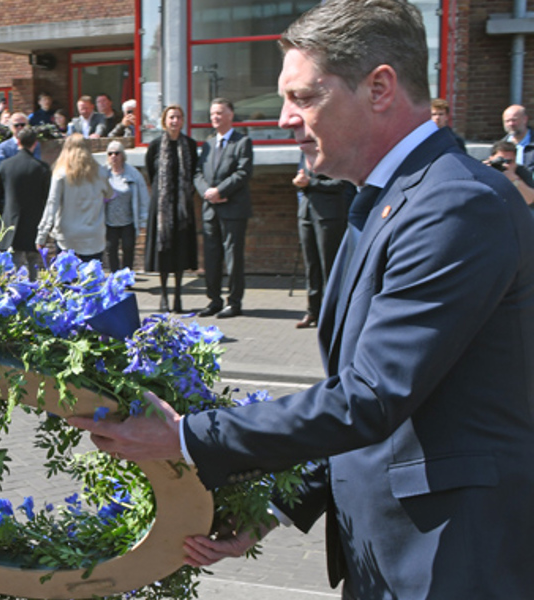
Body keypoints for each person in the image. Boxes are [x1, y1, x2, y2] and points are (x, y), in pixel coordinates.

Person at [71, 2, 534, 598]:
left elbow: (371, 397)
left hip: (451, 560)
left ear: (381, 88)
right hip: (395, 552)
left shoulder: (454, 204)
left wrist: (186, 436)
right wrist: (274, 505)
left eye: (304, 97)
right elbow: (387, 405)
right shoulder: (388, 199)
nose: (286, 119)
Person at [195, 97, 253, 318]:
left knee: (233, 257)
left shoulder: (242, 142)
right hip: (211, 210)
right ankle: (214, 301)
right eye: (212, 114)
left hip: (233, 210)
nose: (215, 117)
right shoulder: (208, 144)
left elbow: (243, 173)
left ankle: (234, 302)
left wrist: (220, 191)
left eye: (219, 113)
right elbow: (198, 173)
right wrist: (207, 193)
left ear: (230, 114)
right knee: (211, 257)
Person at [144, 105, 198, 314]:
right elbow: (151, 172)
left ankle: (178, 297)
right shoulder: (156, 145)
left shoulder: (190, 145)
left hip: (182, 207)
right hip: (162, 208)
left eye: (178, 117)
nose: (175, 121)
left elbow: (193, 172)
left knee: (180, 250)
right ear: (164, 121)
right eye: (171, 117)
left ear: (183, 121)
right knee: (164, 250)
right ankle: (164, 297)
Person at [292, 158, 353, 328]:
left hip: (329, 216)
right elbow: (302, 181)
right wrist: (299, 183)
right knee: (311, 267)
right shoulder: (304, 154)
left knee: (329, 266)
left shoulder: (333, 151)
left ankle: (330, 313)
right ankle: (312, 311)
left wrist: (311, 183)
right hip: (306, 215)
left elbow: (341, 184)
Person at [35, 133, 110, 262]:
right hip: (93, 234)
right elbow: (110, 194)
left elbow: (52, 204)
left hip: (67, 234)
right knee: (92, 277)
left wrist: (42, 235)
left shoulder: (60, 174)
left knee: (66, 276)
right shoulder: (100, 172)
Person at [0, 126, 51, 280]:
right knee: (33, 262)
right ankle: (34, 293)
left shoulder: (6, 166)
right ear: (35, 143)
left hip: (12, 221)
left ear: (17, 141)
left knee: (14, 262)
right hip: (34, 221)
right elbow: (47, 198)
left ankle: (14, 293)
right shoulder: (42, 168)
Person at [102, 141, 149, 275]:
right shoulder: (104, 173)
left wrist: (143, 220)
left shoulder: (133, 174)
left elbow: (143, 197)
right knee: (111, 249)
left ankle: (126, 277)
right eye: (110, 153)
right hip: (109, 221)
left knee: (128, 248)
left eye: (117, 153)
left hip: (128, 220)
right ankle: (114, 278)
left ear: (122, 155)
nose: (113, 156)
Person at [485, 140, 534, 209]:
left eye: (509, 161)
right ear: (491, 158)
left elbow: (530, 200)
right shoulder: (483, 168)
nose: (505, 165)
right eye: (500, 160)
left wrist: (514, 179)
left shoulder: (520, 171)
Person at [502, 104, 533, 170]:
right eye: (507, 121)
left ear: (525, 119)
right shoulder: (501, 146)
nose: (511, 124)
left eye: (514, 120)